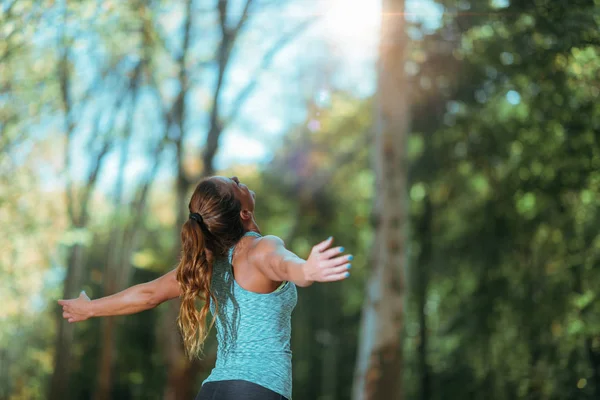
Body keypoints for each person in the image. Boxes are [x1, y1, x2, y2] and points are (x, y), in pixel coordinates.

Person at [58, 175, 352, 400]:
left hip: (213, 390)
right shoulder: (263, 248)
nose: (238, 179)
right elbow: (286, 265)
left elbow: (149, 294)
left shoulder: (206, 262)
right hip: (256, 390)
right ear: (244, 214)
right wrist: (307, 270)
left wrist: (90, 308)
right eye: (234, 184)